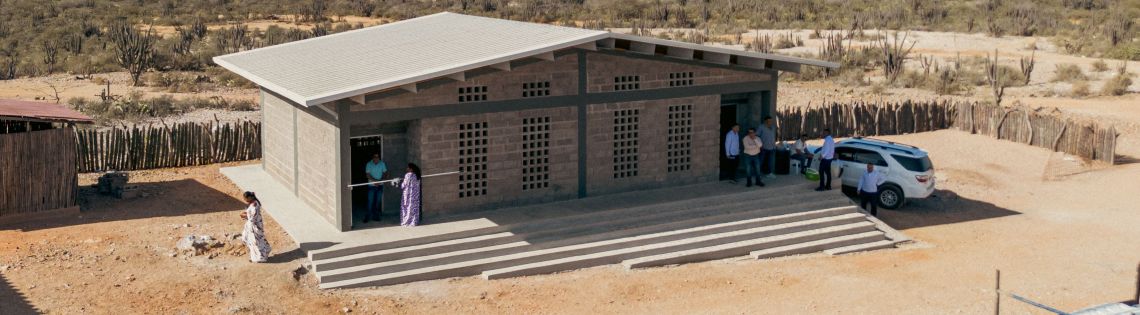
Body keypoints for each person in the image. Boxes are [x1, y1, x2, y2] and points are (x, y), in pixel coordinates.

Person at [239, 191, 271, 263]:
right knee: (252, 240)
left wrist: (244, 215)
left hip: (255, 226)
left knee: (256, 242)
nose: (245, 200)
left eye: (246, 199)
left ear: (250, 198)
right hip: (252, 225)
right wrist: (246, 213)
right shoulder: (253, 203)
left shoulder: (255, 205)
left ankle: (261, 257)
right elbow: (250, 213)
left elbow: (253, 218)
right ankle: (262, 252)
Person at [364, 153, 388, 223]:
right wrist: (375, 181)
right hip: (371, 186)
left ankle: (376, 216)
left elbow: (385, 173)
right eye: (375, 157)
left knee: (378, 202)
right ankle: (367, 216)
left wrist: (380, 181)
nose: (376, 158)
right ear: (373, 158)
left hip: (380, 185)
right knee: (370, 202)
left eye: (377, 157)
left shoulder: (382, 163)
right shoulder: (369, 164)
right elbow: (368, 175)